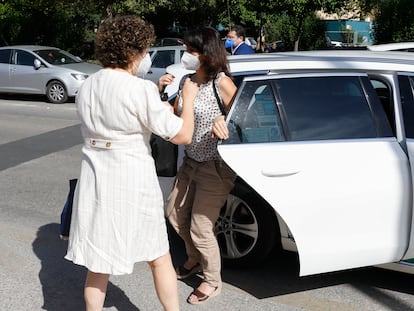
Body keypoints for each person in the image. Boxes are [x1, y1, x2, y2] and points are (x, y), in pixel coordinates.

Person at [65, 15, 197, 311]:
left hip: (96, 178)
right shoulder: (140, 89)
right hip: (131, 179)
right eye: (144, 50)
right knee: (158, 255)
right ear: (132, 52)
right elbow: (183, 134)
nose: (146, 56)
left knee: (98, 263)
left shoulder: (87, 86)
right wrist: (187, 98)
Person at [166, 26, 237, 305]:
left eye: (192, 51)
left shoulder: (221, 83)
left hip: (214, 166)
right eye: (186, 50)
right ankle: (194, 258)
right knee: (173, 214)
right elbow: (176, 115)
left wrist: (226, 122)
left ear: (206, 54)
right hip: (190, 161)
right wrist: (164, 93)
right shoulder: (186, 79)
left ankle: (212, 280)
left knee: (200, 226)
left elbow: (248, 120)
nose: (187, 55)